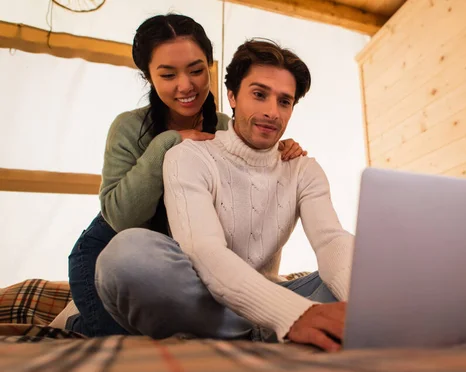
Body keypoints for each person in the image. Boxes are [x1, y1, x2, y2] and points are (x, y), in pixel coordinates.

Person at [95, 38, 353, 353]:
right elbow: (204, 251)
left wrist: (363, 305)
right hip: (208, 298)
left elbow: (331, 241)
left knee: (371, 258)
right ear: (231, 96)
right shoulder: (187, 156)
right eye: (259, 95)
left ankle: (256, 329)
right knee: (126, 256)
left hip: (274, 296)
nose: (272, 112)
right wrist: (295, 314)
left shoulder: (303, 168)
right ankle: (272, 325)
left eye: (284, 102)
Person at [57, 15, 307, 337]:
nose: (186, 85)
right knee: (129, 338)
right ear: (148, 76)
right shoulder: (128, 128)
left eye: (196, 70)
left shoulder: (225, 128)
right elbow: (121, 218)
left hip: (184, 258)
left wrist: (277, 149)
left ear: (210, 67)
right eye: (168, 74)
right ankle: (76, 318)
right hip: (107, 248)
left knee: (182, 325)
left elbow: (254, 202)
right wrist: (169, 143)